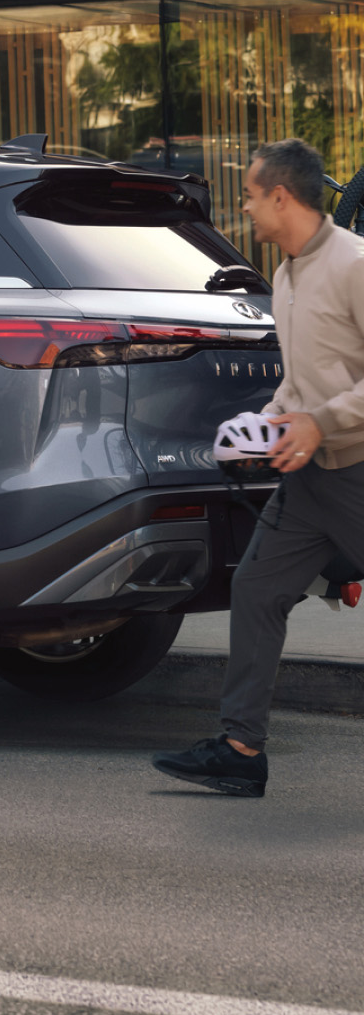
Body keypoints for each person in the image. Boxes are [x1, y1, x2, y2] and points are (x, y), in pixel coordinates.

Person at [153, 137, 364, 797]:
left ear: (281, 196)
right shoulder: (289, 274)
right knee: (256, 588)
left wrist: (318, 423)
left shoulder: (355, 265)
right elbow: (302, 382)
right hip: (309, 481)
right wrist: (264, 423)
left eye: (250, 195)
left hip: (358, 472)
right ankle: (241, 748)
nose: (245, 208)